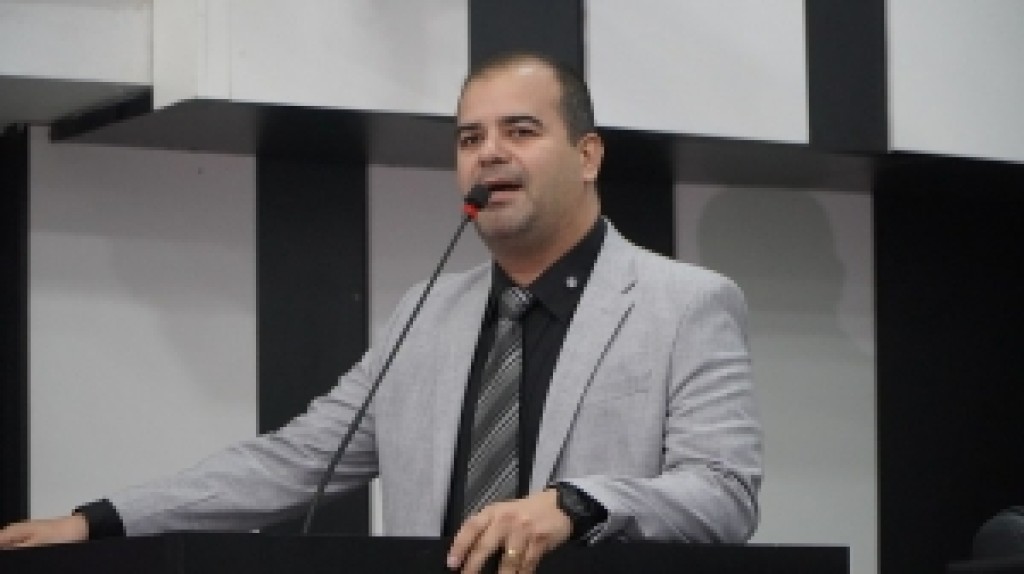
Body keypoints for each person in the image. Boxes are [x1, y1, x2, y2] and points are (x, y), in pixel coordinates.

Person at [0, 52, 762, 574]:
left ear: (587, 155)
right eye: (470, 138)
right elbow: (293, 460)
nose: (489, 153)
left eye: (520, 131)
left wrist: (578, 504)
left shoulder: (685, 303)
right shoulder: (429, 314)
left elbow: (724, 493)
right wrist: (98, 522)